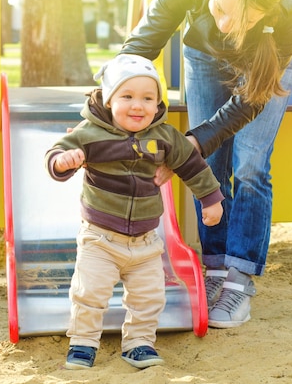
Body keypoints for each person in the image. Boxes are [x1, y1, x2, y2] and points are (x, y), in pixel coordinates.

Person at [119, 0, 292, 328]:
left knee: (251, 162)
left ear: (265, 14)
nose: (223, 24)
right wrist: (105, 106)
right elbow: (142, 44)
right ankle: (217, 267)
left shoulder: (290, 6)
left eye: (242, 18)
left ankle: (239, 278)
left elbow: (249, 101)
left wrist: (192, 142)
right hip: (203, 57)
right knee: (208, 163)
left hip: (264, 67)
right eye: (219, 8)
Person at [45, 54, 224, 370]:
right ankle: (83, 343)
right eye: (127, 97)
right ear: (109, 98)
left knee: (149, 297)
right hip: (100, 238)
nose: (137, 105)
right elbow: (57, 152)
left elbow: (193, 166)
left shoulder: (165, 137)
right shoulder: (91, 133)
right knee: (90, 293)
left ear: (157, 104)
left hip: (145, 242)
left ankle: (138, 343)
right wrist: (63, 160)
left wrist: (211, 199)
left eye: (147, 98)